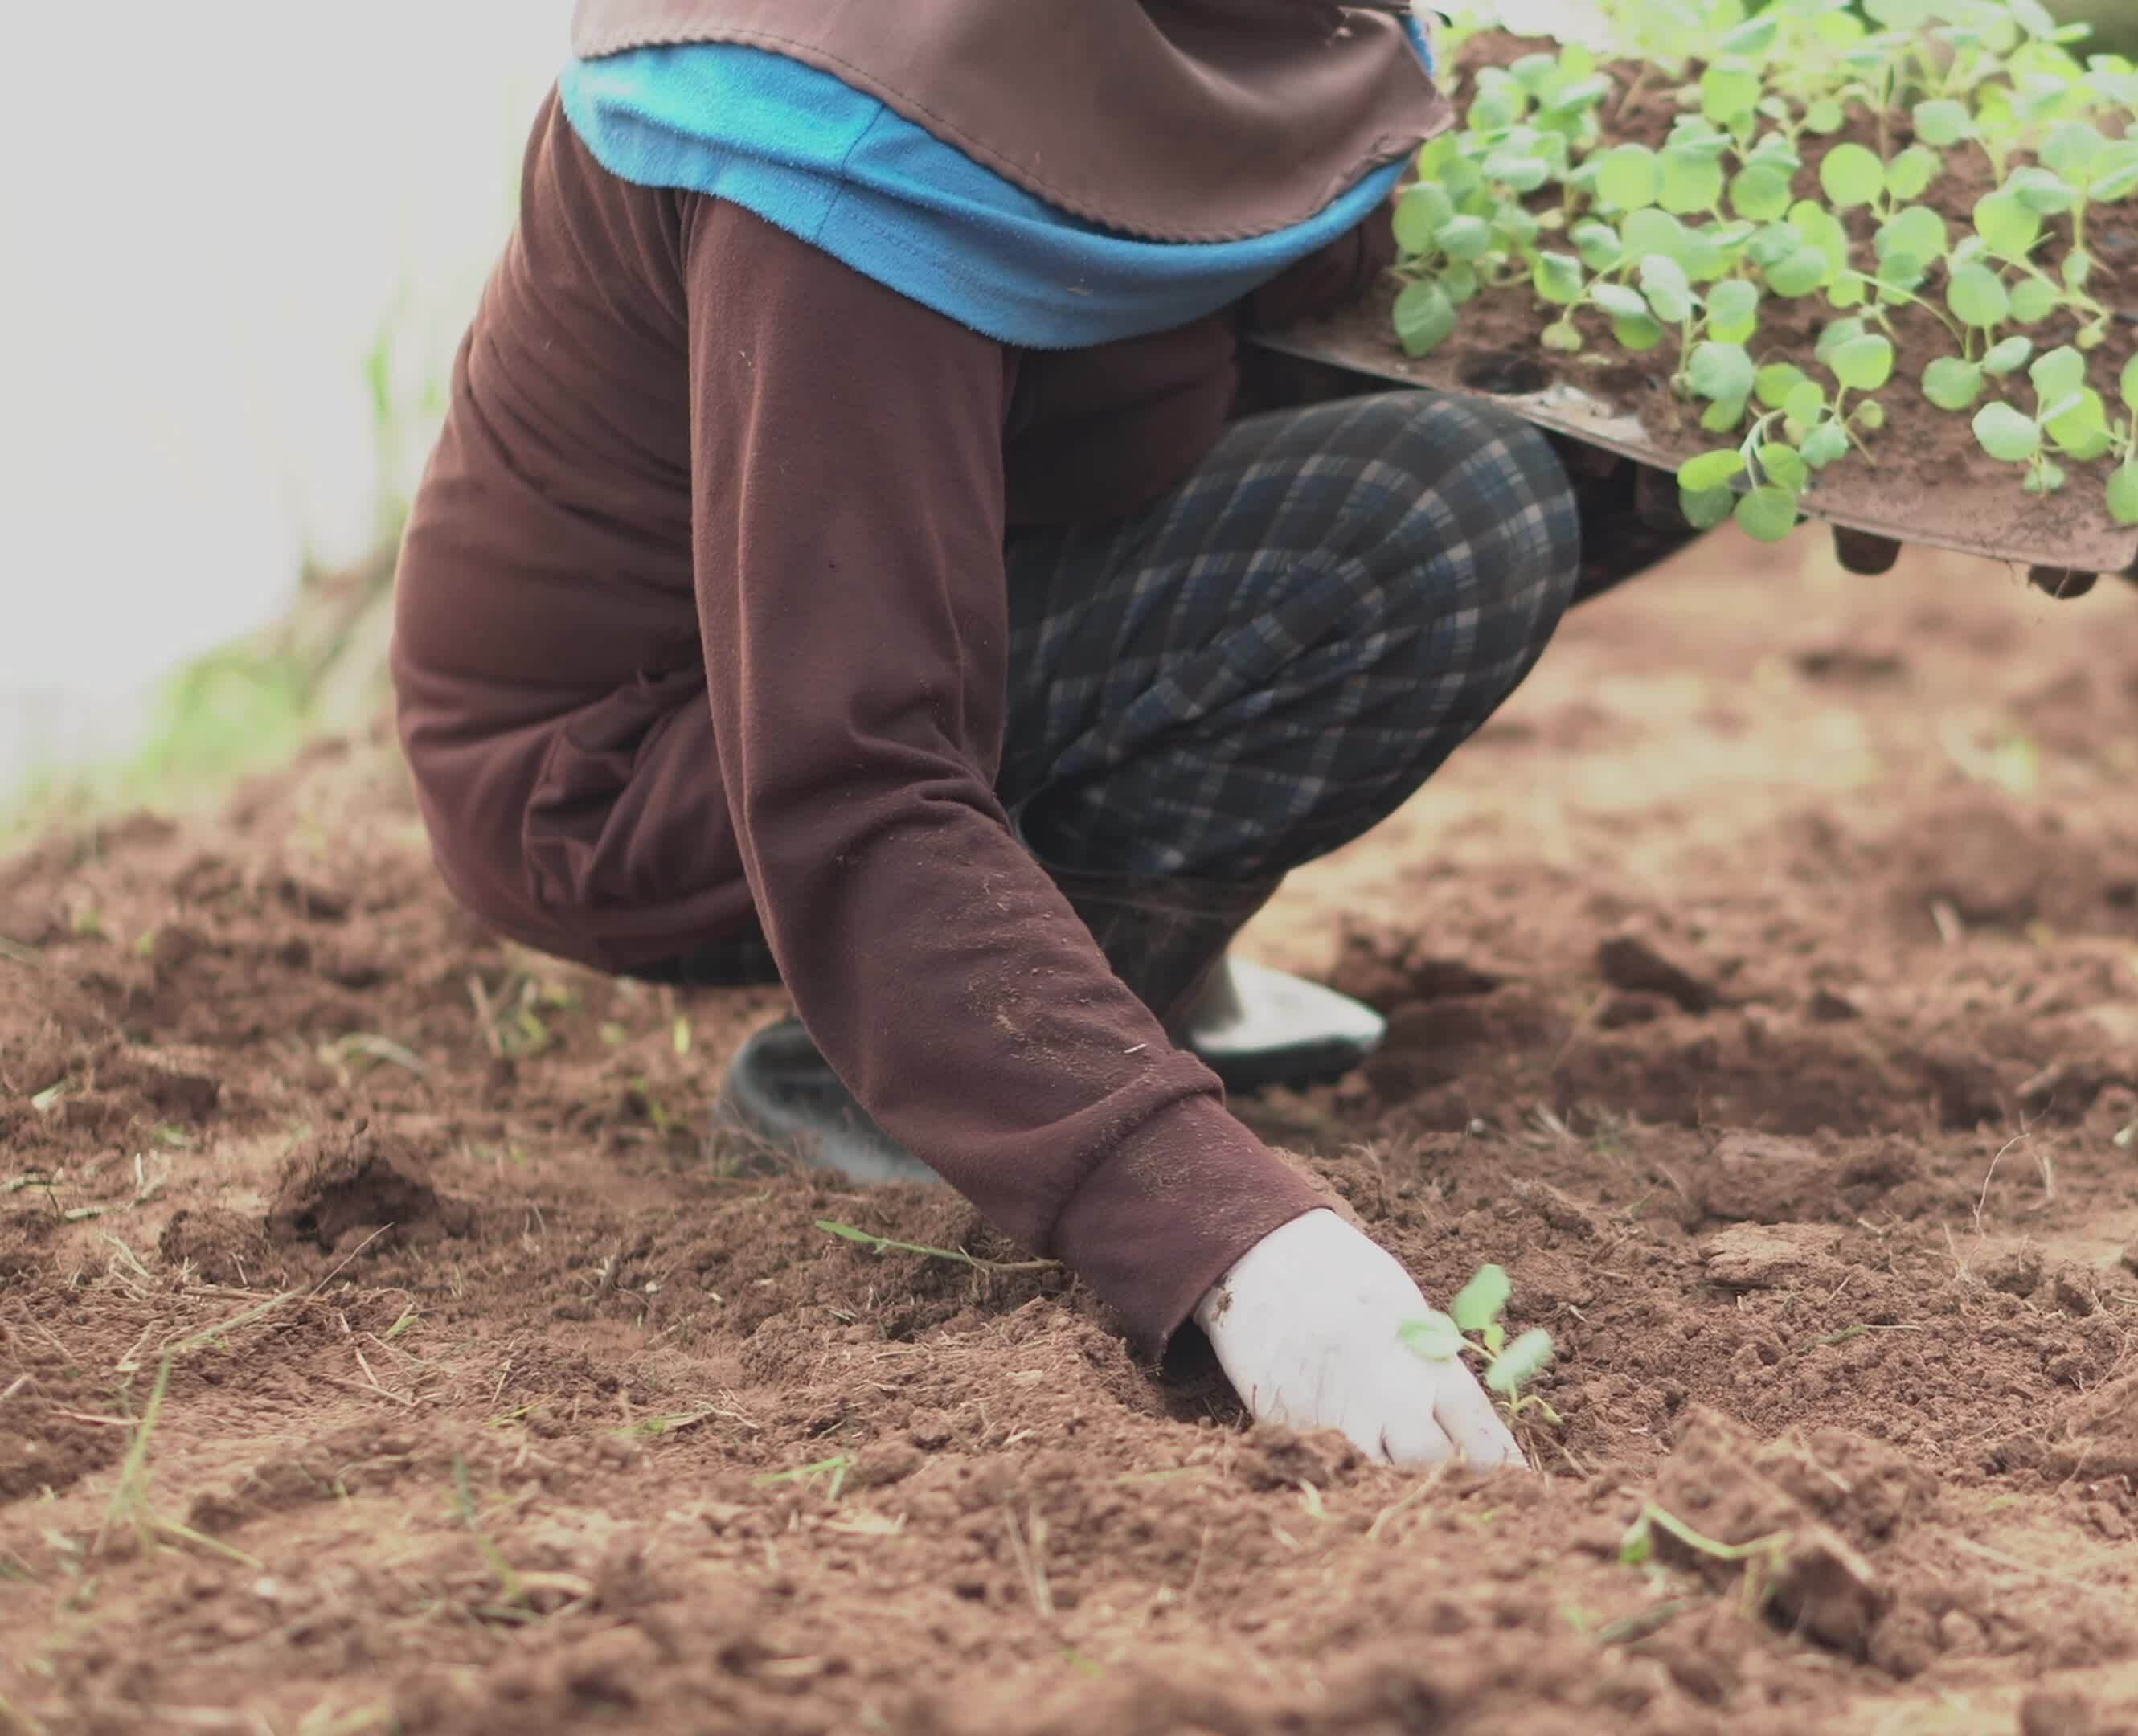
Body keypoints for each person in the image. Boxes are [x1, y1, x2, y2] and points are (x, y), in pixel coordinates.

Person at [388, 0, 1816, 1470]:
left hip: (957, 545)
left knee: (1621, 414)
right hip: (658, 757)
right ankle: (927, 1067)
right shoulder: (849, 132)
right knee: (1439, 522)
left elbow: (1342, 244)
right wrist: (1230, 1240)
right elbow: (850, 776)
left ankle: (1100, 967)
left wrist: (1854, 405)